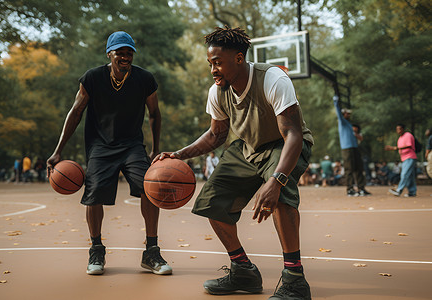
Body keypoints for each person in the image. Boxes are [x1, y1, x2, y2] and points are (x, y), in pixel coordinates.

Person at [155, 26, 314, 299]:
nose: (213, 69)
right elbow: (216, 135)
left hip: (283, 145)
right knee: (210, 202)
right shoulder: (217, 91)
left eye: (217, 63)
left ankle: (295, 279)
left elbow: (293, 134)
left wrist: (276, 180)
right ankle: (243, 270)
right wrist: (179, 154)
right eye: (210, 63)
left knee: (282, 195)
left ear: (239, 59)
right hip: (248, 148)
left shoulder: (273, 79)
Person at [46, 31, 171, 276]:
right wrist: (57, 151)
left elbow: (155, 114)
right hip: (101, 146)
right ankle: (96, 249)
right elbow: (75, 112)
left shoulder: (145, 79)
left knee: (150, 187)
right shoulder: (92, 78)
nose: (125, 56)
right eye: (120, 52)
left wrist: (155, 149)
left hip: (132, 145)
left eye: (129, 52)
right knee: (93, 195)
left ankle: (152, 251)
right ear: (109, 54)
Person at [333, 97, 371, 196]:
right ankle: (350, 189)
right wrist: (336, 102)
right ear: (343, 114)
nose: (348, 115)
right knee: (349, 169)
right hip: (347, 148)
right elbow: (338, 114)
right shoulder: (342, 123)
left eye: (349, 113)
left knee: (359, 168)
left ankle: (361, 188)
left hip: (354, 148)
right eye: (346, 113)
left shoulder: (349, 125)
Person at [385, 124, 417, 197]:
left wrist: (394, 148)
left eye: (399, 129)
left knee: (404, 174)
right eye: (397, 129)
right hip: (404, 159)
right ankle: (412, 192)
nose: (398, 131)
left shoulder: (408, 135)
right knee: (410, 176)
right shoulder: (400, 138)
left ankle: (399, 190)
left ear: (403, 129)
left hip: (410, 157)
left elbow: (409, 145)